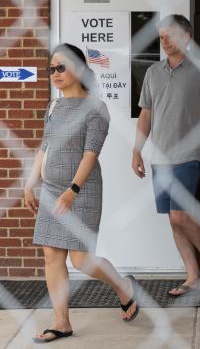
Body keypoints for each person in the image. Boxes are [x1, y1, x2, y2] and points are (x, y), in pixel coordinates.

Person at [24, 43, 139, 344]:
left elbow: (90, 154)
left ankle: (123, 287)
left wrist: (73, 190)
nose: (55, 74)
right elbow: (44, 148)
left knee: (81, 259)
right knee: (51, 254)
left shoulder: (95, 108)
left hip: (82, 191)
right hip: (50, 190)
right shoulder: (54, 106)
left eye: (61, 67)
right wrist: (29, 183)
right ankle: (61, 322)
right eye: (51, 69)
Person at [132, 15, 200, 297]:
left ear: (187, 36)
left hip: (189, 154)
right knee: (173, 219)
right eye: (161, 37)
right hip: (160, 157)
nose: (165, 41)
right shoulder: (152, 73)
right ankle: (192, 277)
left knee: (179, 214)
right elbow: (145, 114)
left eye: (170, 35)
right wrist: (137, 150)